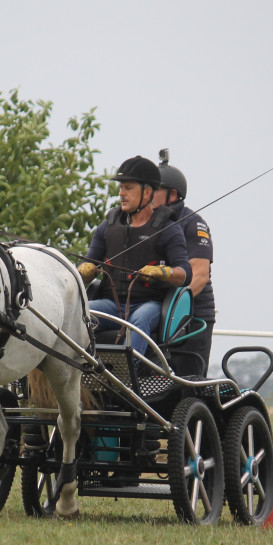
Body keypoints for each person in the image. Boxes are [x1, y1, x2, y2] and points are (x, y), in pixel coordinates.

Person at [77, 155, 191, 359]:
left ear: (147, 192)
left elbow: (185, 273)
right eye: (121, 188)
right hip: (111, 304)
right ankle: (81, 368)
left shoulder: (168, 229)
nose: (121, 194)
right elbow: (90, 261)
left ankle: (128, 374)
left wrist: (163, 273)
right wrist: (83, 271)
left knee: (139, 321)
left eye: (128, 188)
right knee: (81, 312)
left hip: (149, 305)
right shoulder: (108, 226)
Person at [152, 149, 215, 377]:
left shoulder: (193, 223)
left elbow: (200, 275)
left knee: (188, 380)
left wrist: (171, 314)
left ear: (172, 195)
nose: (148, 193)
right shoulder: (146, 223)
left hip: (191, 316)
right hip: (158, 312)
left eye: (154, 189)